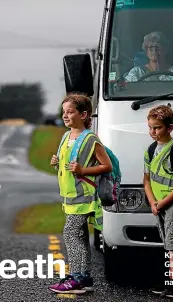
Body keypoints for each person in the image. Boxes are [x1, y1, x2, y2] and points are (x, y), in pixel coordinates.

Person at [48, 93, 113, 294]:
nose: (65, 115)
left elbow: (106, 166)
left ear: (84, 114)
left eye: (70, 112)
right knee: (81, 236)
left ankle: (76, 277)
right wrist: (57, 162)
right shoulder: (66, 136)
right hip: (70, 197)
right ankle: (83, 277)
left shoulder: (91, 139)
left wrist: (83, 171)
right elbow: (69, 164)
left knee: (70, 233)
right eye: (64, 112)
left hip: (84, 197)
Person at [143, 105, 173, 298]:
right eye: (150, 127)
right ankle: (171, 282)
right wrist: (153, 202)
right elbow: (146, 180)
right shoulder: (150, 150)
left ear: (170, 128)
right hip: (160, 204)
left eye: (157, 128)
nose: (152, 132)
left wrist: (162, 203)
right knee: (168, 242)